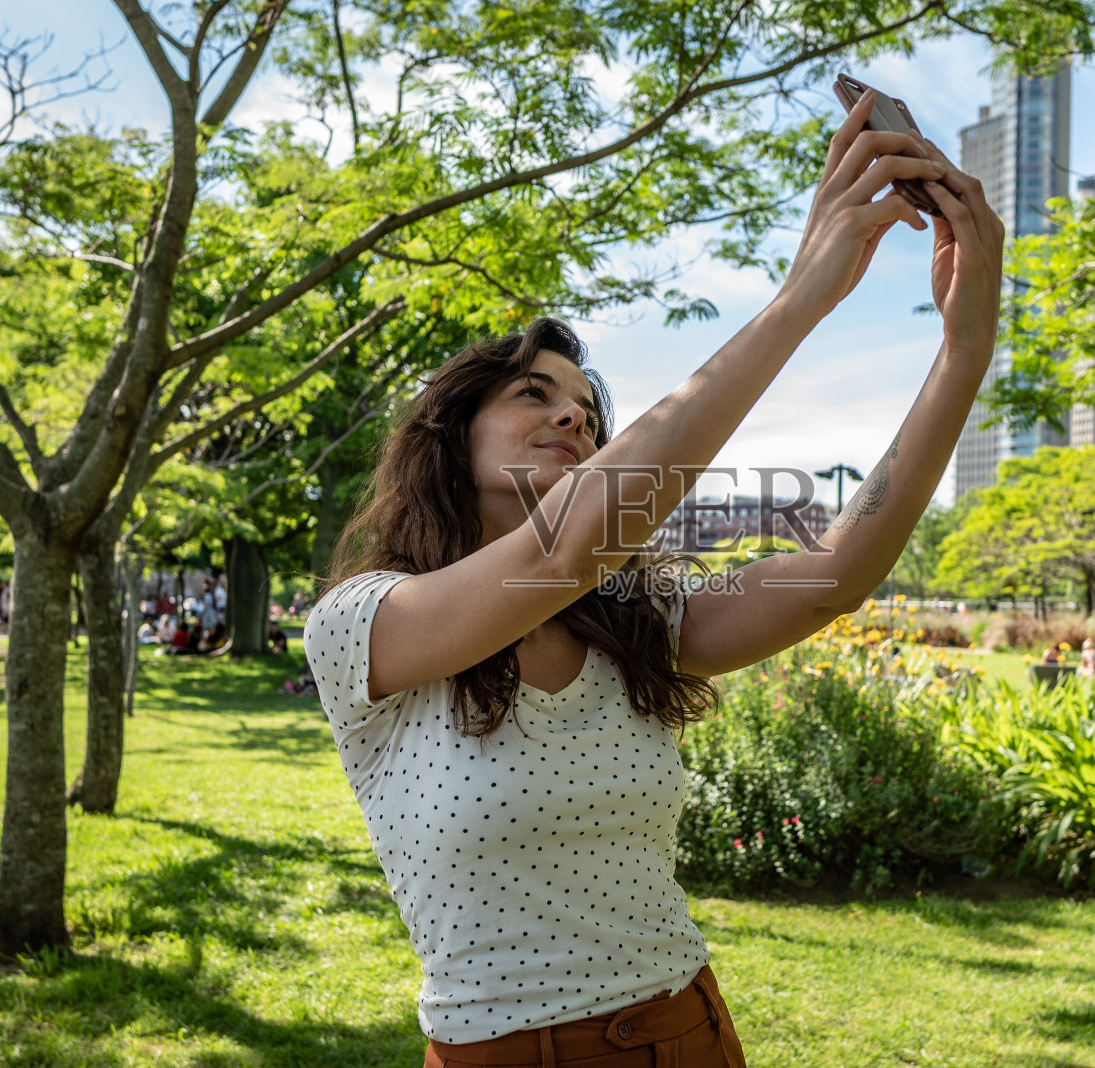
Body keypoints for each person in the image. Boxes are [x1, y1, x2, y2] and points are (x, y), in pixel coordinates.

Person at [304, 92, 1002, 1068]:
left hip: (687, 1030)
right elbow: (562, 551)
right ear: (449, 436)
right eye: (533, 394)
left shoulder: (631, 621)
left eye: (589, 411)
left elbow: (834, 574)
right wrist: (802, 295)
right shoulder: (365, 626)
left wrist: (962, 352)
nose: (573, 421)